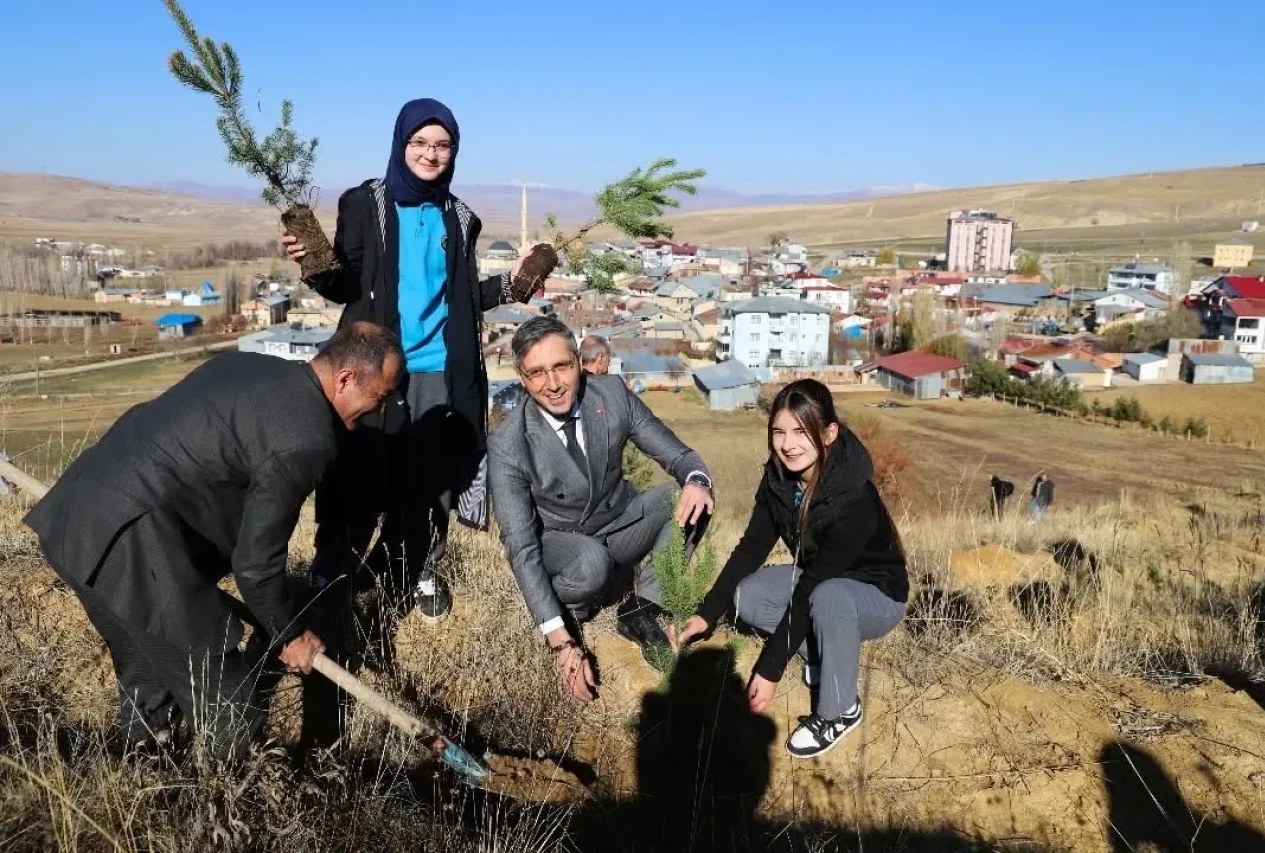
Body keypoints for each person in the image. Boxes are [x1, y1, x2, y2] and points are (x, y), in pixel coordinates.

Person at [23, 323, 404, 760]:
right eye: (381, 395)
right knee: (231, 703)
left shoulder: (245, 366)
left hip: (77, 519)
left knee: (152, 677)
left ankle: (147, 797)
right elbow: (257, 566)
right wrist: (290, 634)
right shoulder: (306, 437)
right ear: (346, 379)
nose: (383, 408)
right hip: (133, 543)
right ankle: (229, 811)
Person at [283, 98, 536, 623]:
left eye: (442, 146)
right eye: (419, 143)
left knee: (429, 479)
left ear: (454, 152)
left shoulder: (461, 217)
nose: (430, 154)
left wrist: (513, 284)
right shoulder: (364, 204)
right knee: (355, 469)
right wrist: (310, 262)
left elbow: (461, 295)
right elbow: (345, 283)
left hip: (440, 369)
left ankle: (413, 566)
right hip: (376, 365)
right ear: (401, 145)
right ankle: (334, 566)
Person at [676, 379, 908, 759]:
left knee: (827, 595)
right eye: (779, 432)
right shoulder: (779, 480)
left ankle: (839, 710)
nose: (788, 444)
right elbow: (751, 549)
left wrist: (769, 669)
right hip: (822, 585)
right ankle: (823, 654)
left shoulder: (854, 496)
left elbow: (815, 585)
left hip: (875, 596)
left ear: (829, 433)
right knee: (746, 597)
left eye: (801, 432)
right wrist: (706, 614)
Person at [488, 316, 714, 701]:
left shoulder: (609, 394)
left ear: (577, 361)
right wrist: (561, 644)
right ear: (522, 378)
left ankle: (640, 607)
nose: (553, 384)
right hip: (561, 542)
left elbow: (677, 454)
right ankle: (573, 612)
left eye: (561, 366)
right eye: (537, 373)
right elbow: (522, 548)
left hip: (618, 522)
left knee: (692, 497)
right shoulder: (509, 443)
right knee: (591, 562)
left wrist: (696, 479)